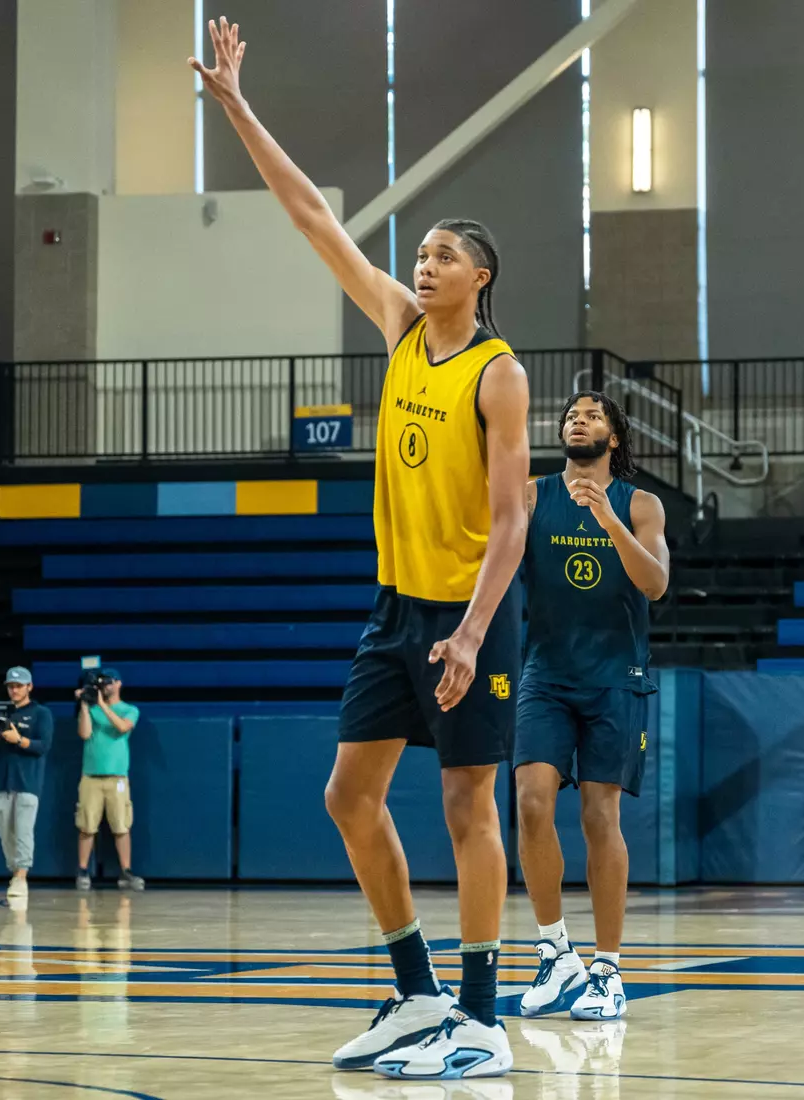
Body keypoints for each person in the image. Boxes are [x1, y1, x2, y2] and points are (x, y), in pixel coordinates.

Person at [192, 18, 529, 1081]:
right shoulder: (393, 325)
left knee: (468, 801)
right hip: (396, 609)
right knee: (348, 794)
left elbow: (513, 517)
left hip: (470, 613)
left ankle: (481, 1015)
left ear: (480, 276)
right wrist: (238, 107)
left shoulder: (498, 372)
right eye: (419, 251)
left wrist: (474, 629)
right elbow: (307, 215)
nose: (421, 262)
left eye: (442, 253)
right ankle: (417, 991)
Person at [515, 391, 669, 1020]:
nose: (578, 420)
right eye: (571, 415)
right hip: (545, 672)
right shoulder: (532, 494)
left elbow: (655, 583)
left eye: (592, 415)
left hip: (615, 677)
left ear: (614, 438)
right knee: (529, 803)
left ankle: (607, 970)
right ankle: (555, 953)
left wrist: (608, 521)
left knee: (600, 818)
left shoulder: (641, 504)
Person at [75, 668, 145, 892]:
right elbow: (84, 734)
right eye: (102, 683)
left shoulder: (129, 709)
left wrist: (103, 705)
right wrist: (86, 705)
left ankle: (125, 871)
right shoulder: (92, 710)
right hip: (91, 776)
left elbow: (123, 727)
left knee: (121, 825)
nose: (105, 687)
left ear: (118, 684)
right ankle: (83, 870)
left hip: (117, 777)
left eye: (109, 682)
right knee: (86, 825)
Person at [0, 667, 53, 901]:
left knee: (23, 831)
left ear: (29, 687)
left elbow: (43, 746)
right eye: (11, 686)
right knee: (5, 833)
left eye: (19, 686)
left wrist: (19, 740)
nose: (14, 690)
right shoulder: (4, 713)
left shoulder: (41, 713)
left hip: (27, 782)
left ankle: (22, 875)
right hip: (2, 781)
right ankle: (14, 872)